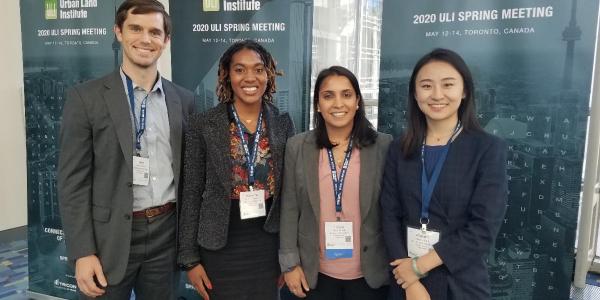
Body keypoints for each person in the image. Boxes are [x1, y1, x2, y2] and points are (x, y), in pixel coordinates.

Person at [57, 0, 195, 299]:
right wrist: (83, 252)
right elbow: (73, 183)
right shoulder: (86, 98)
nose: (145, 39)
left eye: (155, 32)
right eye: (135, 28)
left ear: (166, 41)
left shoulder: (184, 100)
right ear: (118, 32)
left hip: (166, 232)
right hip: (110, 237)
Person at [380, 48, 508, 299]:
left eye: (448, 84)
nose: (437, 95)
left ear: (464, 91)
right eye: (426, 86)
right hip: (405, 283)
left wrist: (420, 266)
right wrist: (410, 281)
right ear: (415, 94)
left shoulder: (487, 149)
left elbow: (483, 227)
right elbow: (389, 215)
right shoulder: (400, 148)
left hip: (459, 282)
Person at [178, 40, 295, 300]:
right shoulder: (203, 125)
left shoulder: (283, 124)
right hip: (220, 244)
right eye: (240, 70)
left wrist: (290, 256)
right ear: (227, 76)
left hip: (268, 244)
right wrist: (189, 259)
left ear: (268, 75)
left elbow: (290, 197)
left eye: (258, 69)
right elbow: (192, 191)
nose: (250, 77)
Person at [279, 66, 391, 300]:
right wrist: (290, 265)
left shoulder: (383, 146)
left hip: (369, 276)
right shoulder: (297, 146)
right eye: (328, 96)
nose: (338, 103)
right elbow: (289, 208)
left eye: (346, 94)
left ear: (358, 102)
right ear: (318, 104)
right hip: (315, 274)